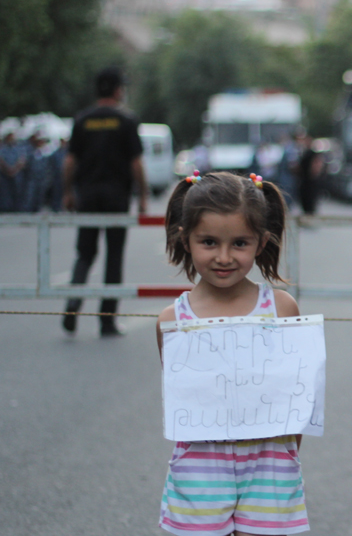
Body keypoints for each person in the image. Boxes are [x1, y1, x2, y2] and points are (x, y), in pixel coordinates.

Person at [156, 171, 310, 536]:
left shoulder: (282, 308)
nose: (224, 257)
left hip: (270, 466)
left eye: (239, 243)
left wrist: (286, 456)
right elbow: (185, 399)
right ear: (186, 239)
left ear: (261, 242)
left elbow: (297, 398)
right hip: (199, 471)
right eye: (209, 242)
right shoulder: (172, 321)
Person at [61, 67, 148, 336]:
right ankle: (107, 320)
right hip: (116, 197)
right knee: (114, 255)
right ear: (118, 90)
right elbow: (136, 163)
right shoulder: (126, 120)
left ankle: (73, 305)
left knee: (85, 253)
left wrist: (67, 192)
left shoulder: (82, 119)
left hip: (88, 196)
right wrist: (143, 196)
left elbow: (69, 161)